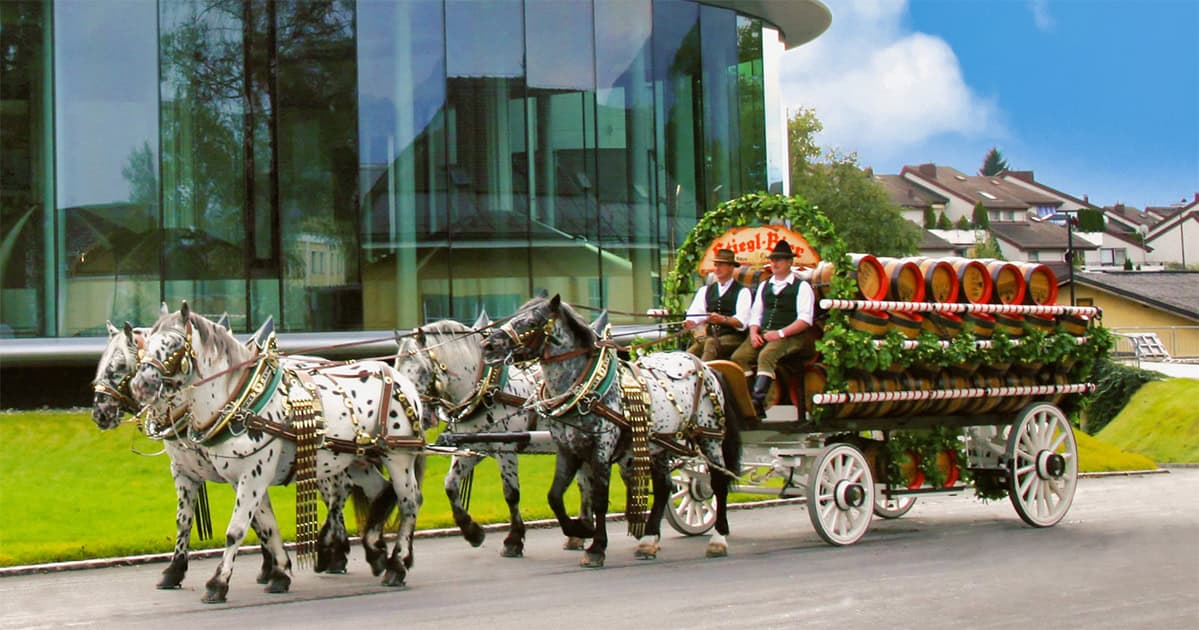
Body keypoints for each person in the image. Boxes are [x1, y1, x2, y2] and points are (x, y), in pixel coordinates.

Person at [730, 240, 816, 415]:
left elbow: (805, 320)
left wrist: (780, 333)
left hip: (791, 336)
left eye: (780, 260)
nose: (774, 263)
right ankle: (749, 400)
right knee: (739, 357)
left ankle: (757, 400)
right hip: (763, 333)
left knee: (766, 355)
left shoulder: (802, 287)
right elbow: (756, 315)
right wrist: (754, 333)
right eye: (773, 259)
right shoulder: (765, 285)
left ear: (790, 263)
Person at [683, 248, 752, 361]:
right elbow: (696, 314)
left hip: (734, 338)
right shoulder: (705, 290)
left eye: (721, 265)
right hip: (711, 337)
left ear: (731, 267)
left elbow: (742, 322)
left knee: (710, 343)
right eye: (716, 265)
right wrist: (691, 322)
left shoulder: (743, 291)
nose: (717, 268)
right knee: (689, 354)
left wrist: (723, 319)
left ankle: (706, 375)